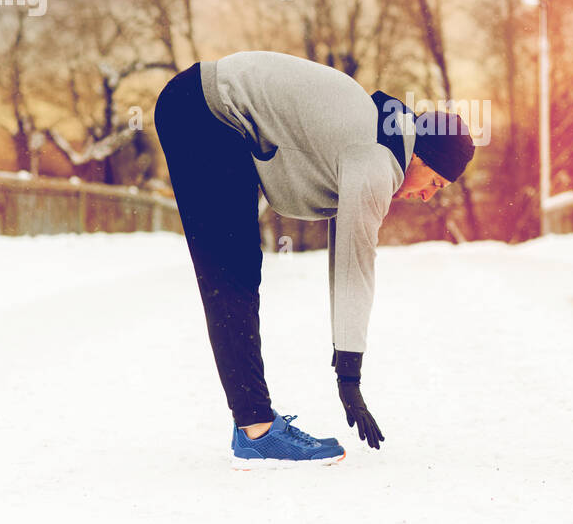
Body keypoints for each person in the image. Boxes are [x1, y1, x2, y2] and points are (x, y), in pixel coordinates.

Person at [152, 51, 475, 469]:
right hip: (205, 111)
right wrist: (350, 380)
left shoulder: (377, 137)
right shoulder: (377, 160)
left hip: (200, 103)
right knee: (231, 270)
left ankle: (253, 425)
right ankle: (256, 431)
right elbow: (356, 264)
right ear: (419, 156)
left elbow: (344, 249)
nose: (426, 196)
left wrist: (346, 365)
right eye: (432, 181)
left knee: (236, 266)